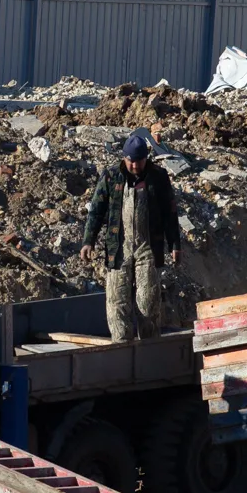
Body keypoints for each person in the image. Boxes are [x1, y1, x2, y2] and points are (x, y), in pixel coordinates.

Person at [83, 130, 184, 343]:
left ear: (146, 159)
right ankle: (121, 350)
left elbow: (170, 213)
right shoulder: (111, 177)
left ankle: (148, 349)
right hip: (118, 248)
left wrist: (175, 244)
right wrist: (88, 241)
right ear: (124, 158)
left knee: (148, 302)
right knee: (117, 302)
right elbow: (96, 211)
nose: (135, 166)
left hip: (148, 248)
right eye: (131, 161)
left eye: (139, 161)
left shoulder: (158, 177)